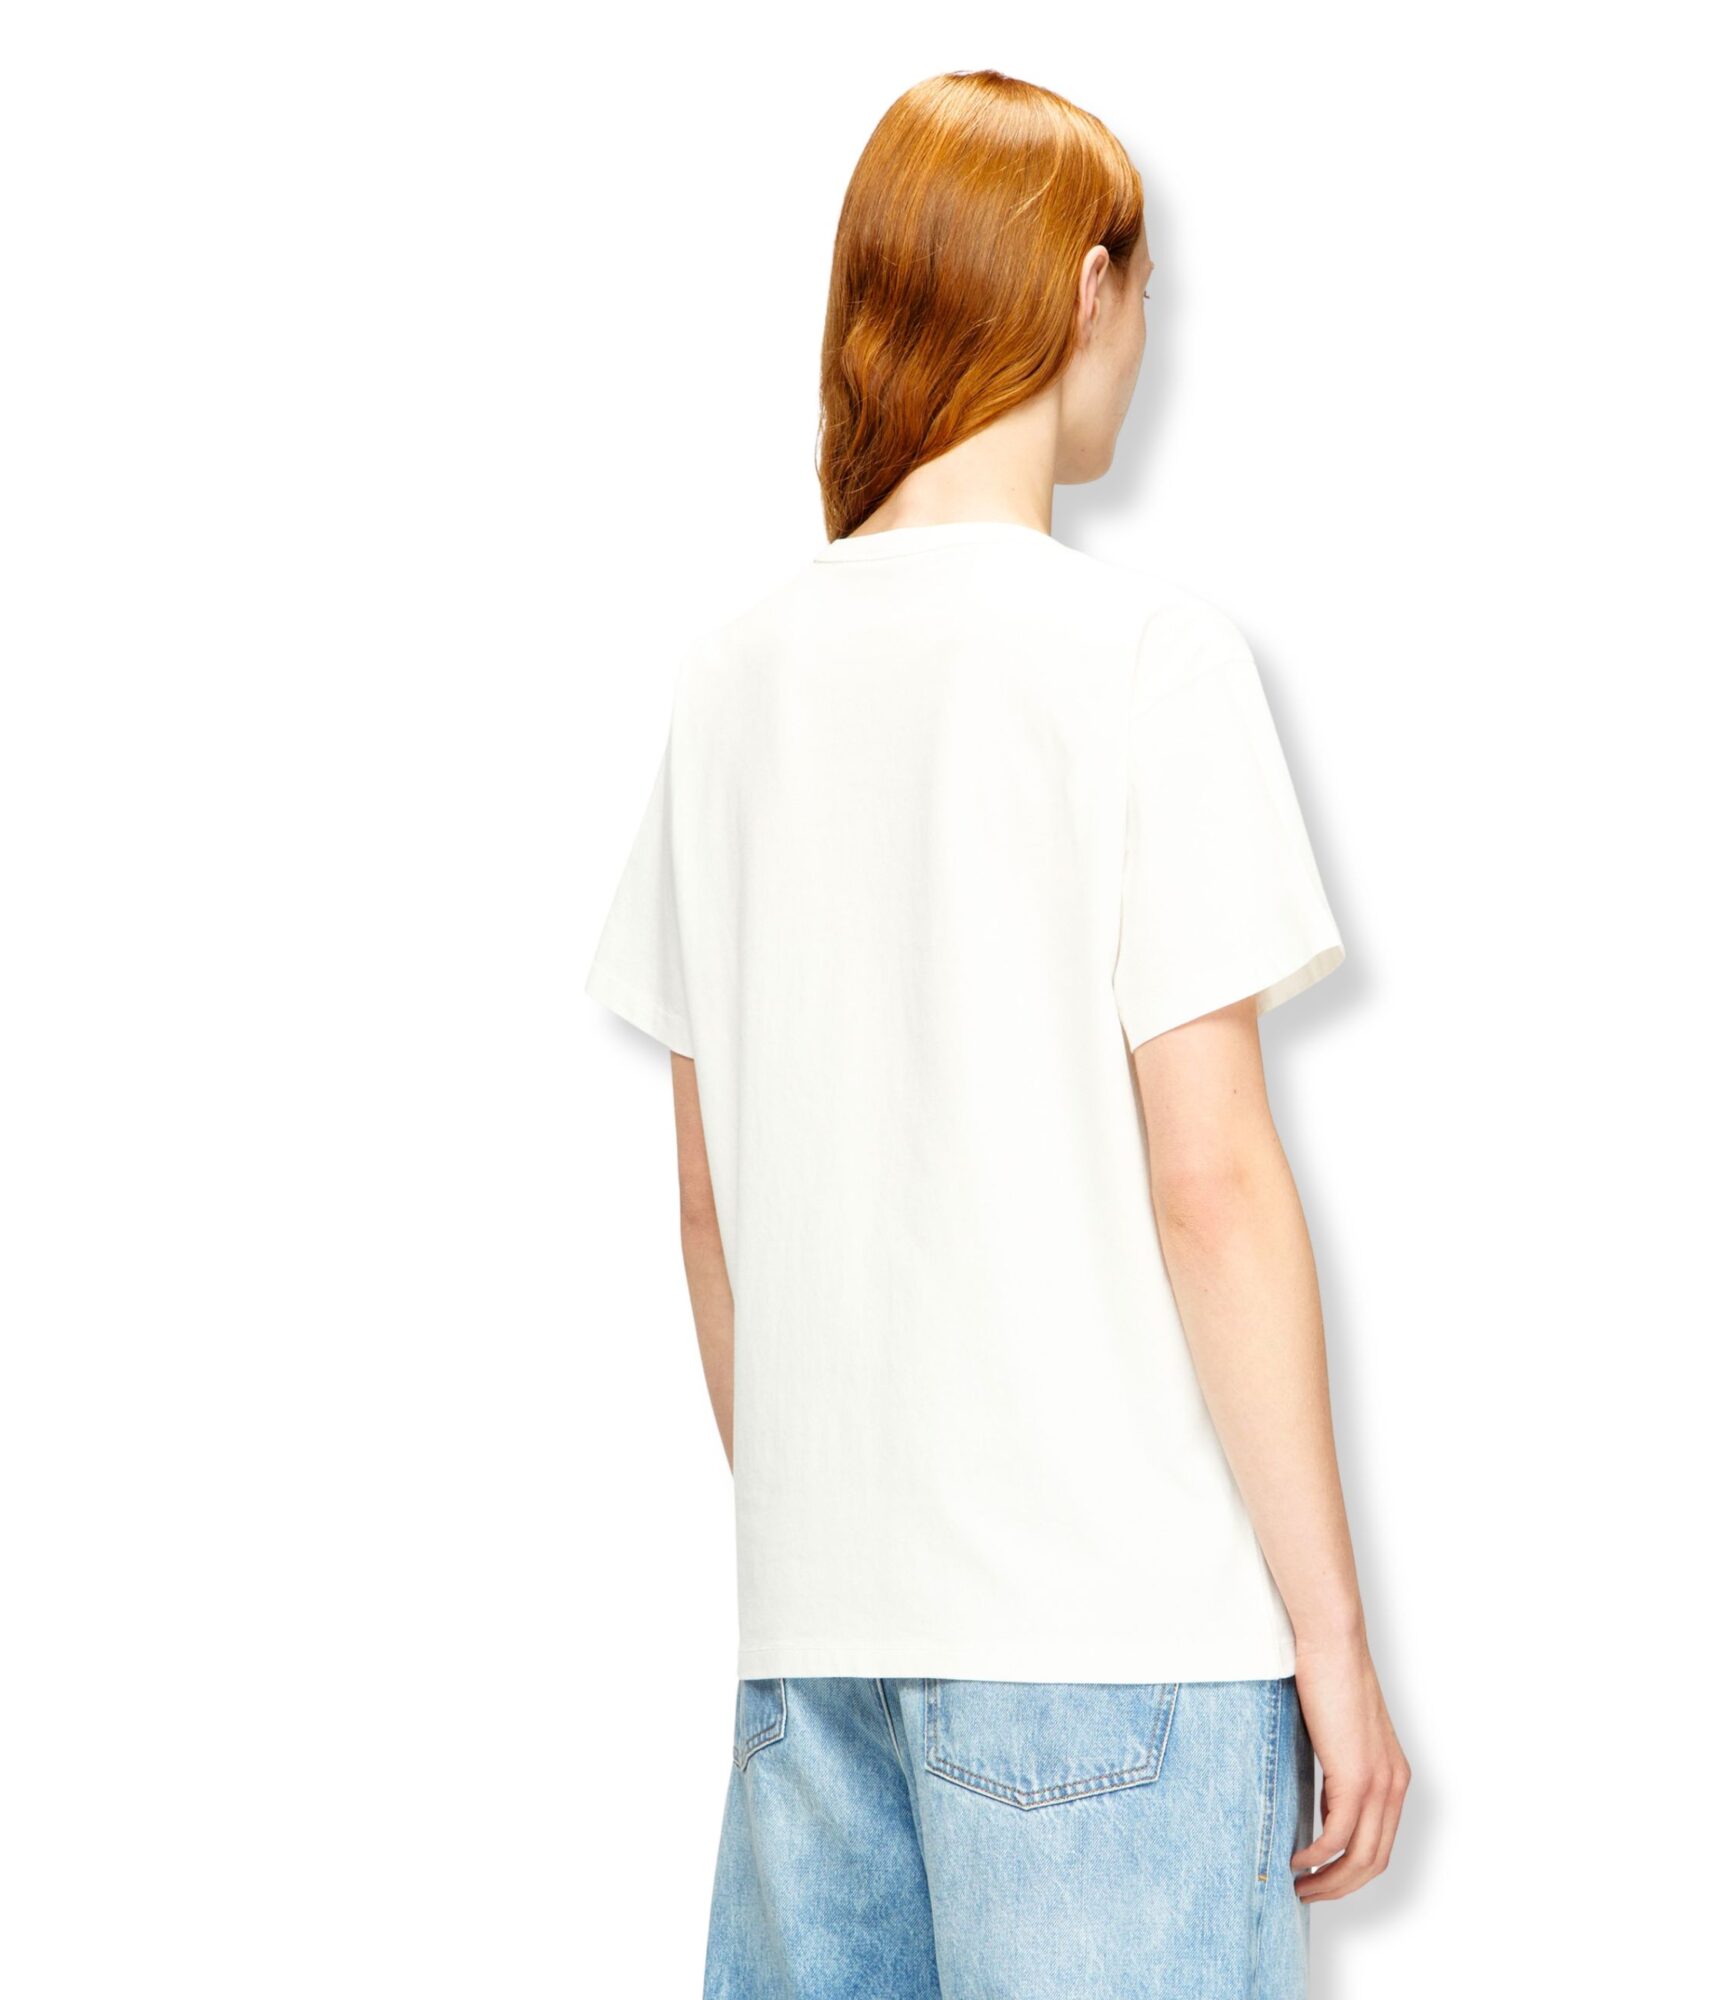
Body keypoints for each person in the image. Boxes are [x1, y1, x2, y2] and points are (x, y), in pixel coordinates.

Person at [587, 67, 1408, 2000]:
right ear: (1084, 290)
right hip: (1117, 1650)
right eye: (1148, 292)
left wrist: (840, 1541)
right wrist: (1336, 1643)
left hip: (815, 1654)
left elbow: (709, 1211)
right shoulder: (1144, 663)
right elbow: (1212, 1184)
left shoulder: (732, 682)